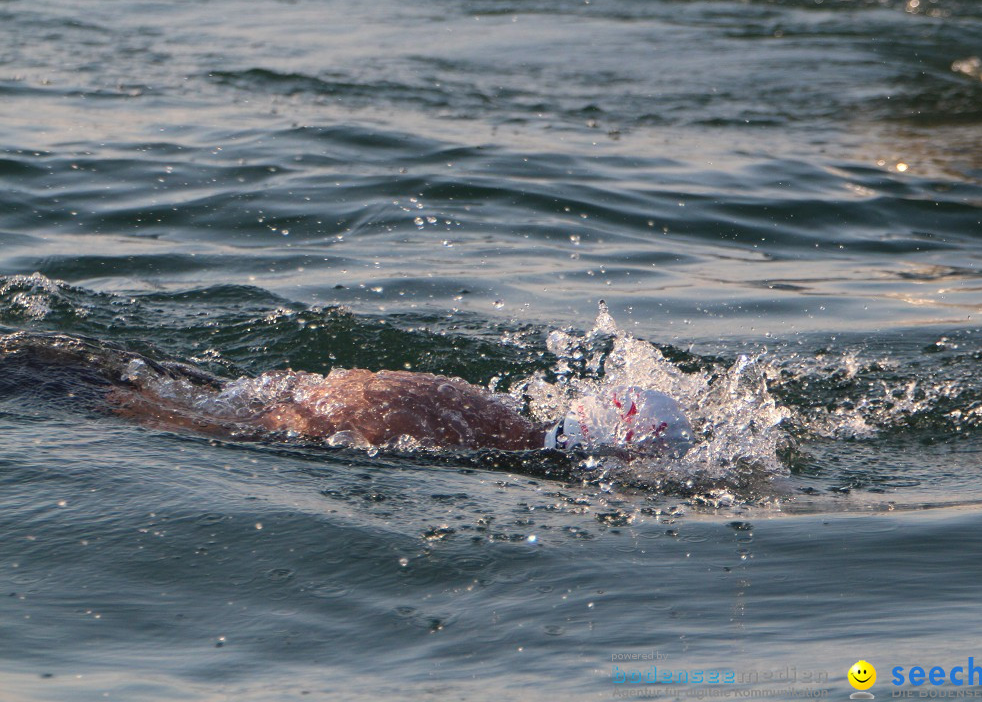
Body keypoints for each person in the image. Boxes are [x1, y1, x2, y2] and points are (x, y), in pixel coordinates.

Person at [2, 331, 694, 453]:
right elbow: (278, 425)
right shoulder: (464, 434)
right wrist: (140, 417)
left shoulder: (491, 415)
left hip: (217, 390)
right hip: (139, 399)